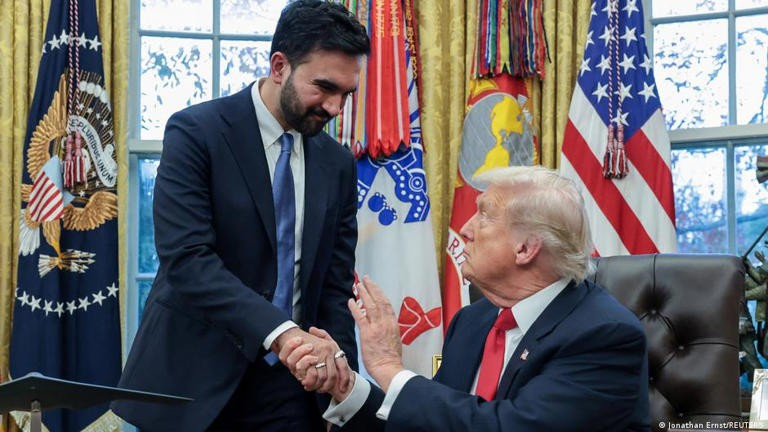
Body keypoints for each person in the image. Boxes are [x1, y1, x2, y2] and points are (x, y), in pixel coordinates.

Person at [111, 1, 370, 430]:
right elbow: (188, 261)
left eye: (346, 94)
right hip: (194, 383)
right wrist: (281, 332)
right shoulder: (196, 133)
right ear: (279, 66)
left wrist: (338, 385)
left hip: (292, 391)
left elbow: (334, 285)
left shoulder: (338, 163)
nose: (335, 107)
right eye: (324, 87)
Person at [282, 165, 650, 431]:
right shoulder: (473, 321)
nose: (466, 229)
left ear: (525, 248)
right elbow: (433, 422)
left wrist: (391, 370)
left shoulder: (603, 335)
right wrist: (347, 386)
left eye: (484, 216)